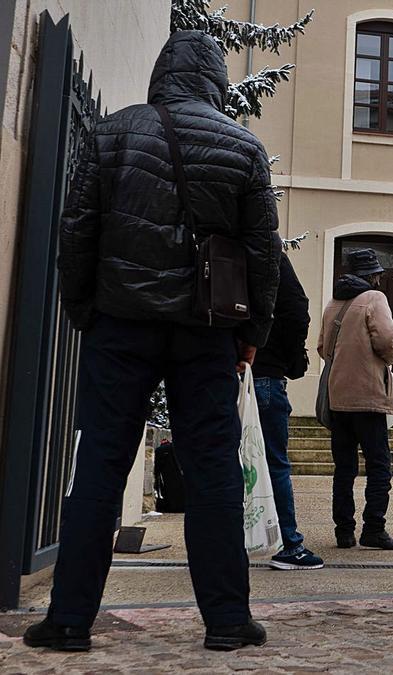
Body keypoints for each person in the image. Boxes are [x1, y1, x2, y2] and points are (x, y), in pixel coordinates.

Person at [26, 31, 280, 652]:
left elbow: (77, 230)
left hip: (122, 323)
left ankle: (67, 621)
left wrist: (86, 310)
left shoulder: (112, 133)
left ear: (160, 76)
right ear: (218, 82)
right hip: (206, 332)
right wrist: (251, 337)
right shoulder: (243, 147)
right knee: (214, 472)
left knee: (100, 468)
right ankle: (225, 621)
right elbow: (262, 256)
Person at [318, 248, 393, 551]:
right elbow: (386, 340)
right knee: (380, 465)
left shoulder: (334, 303)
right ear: (373, 275)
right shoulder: (374, 299)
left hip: (338, 396)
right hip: (368, 396)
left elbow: (322, 347)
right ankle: (374, 529)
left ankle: (344, 532)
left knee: (344, 469)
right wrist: (389, 359)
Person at [254, 253, 324, 570]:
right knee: (274, 463)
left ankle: (217, 545)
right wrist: (292, 359)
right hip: (264, 372)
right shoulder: (267, 254)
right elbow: (297, 310)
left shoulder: (207, 242)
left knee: (217, 461)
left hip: (217, 372)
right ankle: (289, 544)